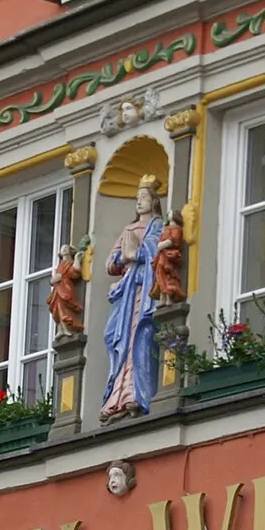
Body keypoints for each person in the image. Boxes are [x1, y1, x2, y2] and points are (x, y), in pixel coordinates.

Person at [100, 174, 165, 421]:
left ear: (154, 201)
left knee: (142, 338)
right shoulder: (129, 229)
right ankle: (116, 397)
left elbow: (156, 254)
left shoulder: (157, 226)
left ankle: (137, 394)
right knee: (115, 338)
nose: (139, 202)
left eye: (144, 198)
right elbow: (111, 264)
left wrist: (135, 253)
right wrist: (124, 257)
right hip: (126, 294)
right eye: (137, 198)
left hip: (144, 292)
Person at [48, 243, 85, 334]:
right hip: (58, 289)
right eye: (62, 248)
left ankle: (67, 329)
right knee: (56, 308)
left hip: (66, 287)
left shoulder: (70, 263)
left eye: (66, 248)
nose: (64, 250)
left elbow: (74, 273)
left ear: (70, 251)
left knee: (63, 307)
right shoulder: (61, 265)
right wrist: (52, 280)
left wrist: (77, 260)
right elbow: (54, 278)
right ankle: (60, 329)